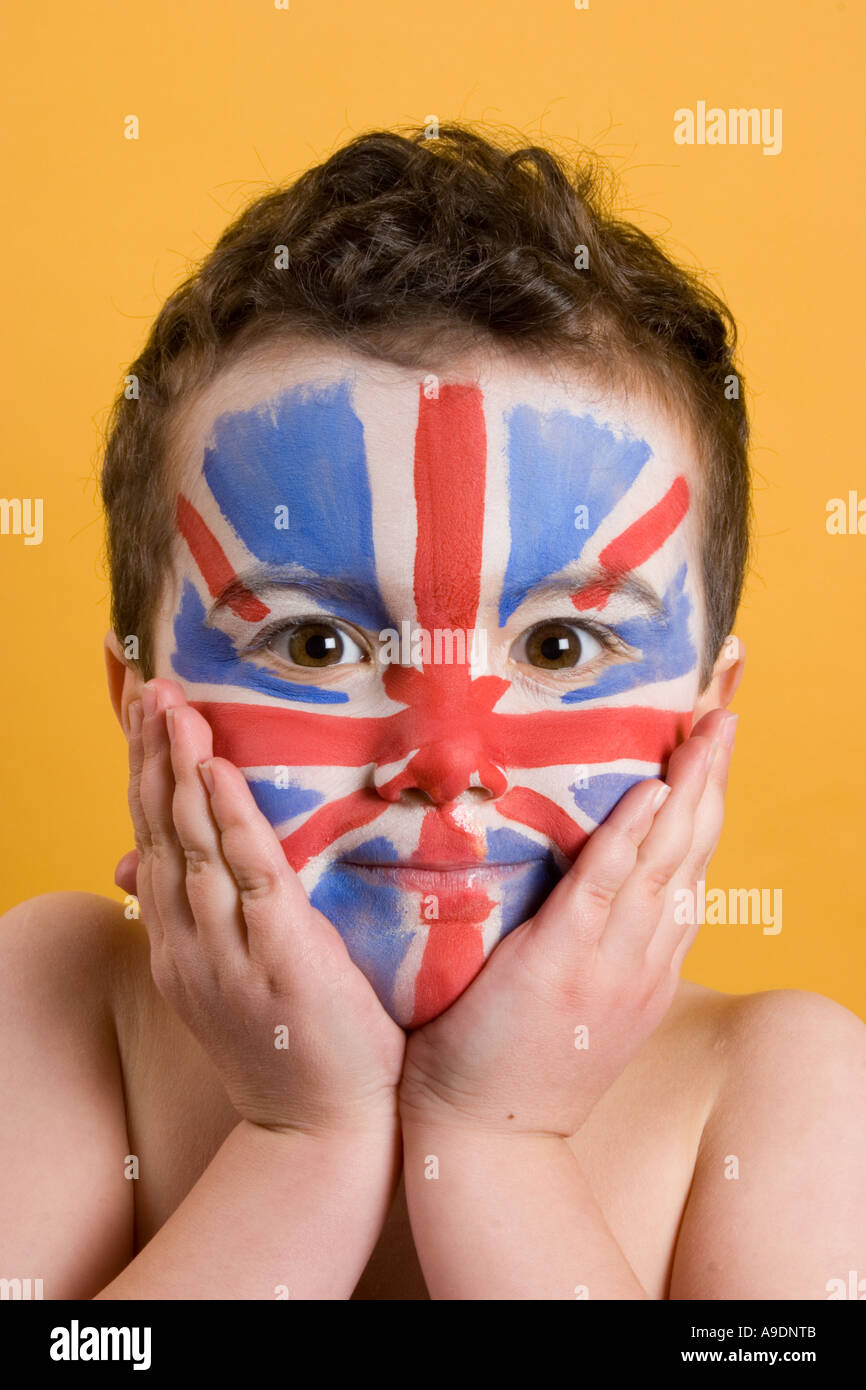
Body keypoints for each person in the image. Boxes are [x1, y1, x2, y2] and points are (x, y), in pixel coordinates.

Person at [1, 124, 863, 1300]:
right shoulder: (54, 1000)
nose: (446, 760)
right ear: (137, 700)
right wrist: (297, 1144)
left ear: (708, 720)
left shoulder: (777, 1091)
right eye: (314, 641)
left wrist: (496, 1148)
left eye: (560, 644)